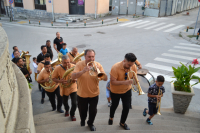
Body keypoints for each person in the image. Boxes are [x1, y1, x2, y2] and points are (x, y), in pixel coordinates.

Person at [71, 49, 107, 131]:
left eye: (93, 57)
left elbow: (105, 79)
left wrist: (99, 71)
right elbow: (73, 76)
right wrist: (83, 71)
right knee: (82, 111)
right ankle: (83, 120)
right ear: (85, 56)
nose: (91, 59)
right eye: (89, 57)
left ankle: (90, 123)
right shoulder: (79, 64)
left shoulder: (98, 64)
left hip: (94, 94)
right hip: (82, 94)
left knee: (93, 111)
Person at [108, 53, 138, 130]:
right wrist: (125, 82)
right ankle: (111, 118)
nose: (130, 67)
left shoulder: (133, 66)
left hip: (127, 90)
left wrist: (135, 81)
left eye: (132, 65)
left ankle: (122, 123)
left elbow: (135, 77)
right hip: (115, 91)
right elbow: (112, 82)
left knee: (127, 107)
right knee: (114, 105)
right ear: (124, 61)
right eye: (128, 65)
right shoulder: (115, 67)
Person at [52, 55, 77, 120]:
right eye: (65, 63)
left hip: (73, 87)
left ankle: (72, 114)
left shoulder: (74, 66)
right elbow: (53, 78)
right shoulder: (57, 68)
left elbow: (77, 76)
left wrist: (75, 79)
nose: (67, 64)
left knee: (75, 103)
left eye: (68, 62)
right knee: (65, 102)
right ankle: (67, 109)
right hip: (64, 88)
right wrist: (60, 81)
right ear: (61, 62)